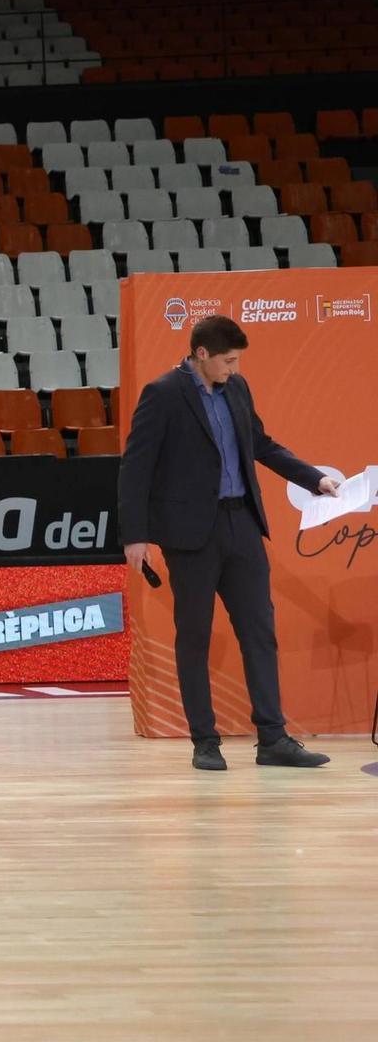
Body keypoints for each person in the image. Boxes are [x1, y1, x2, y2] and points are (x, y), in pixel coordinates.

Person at [119, 314, 337, 771]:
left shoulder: (237, 388)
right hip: (190, 535)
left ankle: (273, 739)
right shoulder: (162, 394)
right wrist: (135, 535)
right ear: (202, 354)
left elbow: (262, 444)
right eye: (228, 361)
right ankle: (204, 740)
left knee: (259, 632)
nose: (234, 369)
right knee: (194, 636)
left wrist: (314, 479)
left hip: (242, 525)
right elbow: (135, 469)